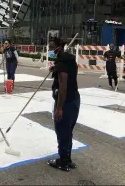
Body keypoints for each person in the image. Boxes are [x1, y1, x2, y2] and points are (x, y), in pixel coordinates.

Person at [47, 37, 80, 172]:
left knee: (62, 132)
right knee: (68, 132)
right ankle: (68, 159)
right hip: (75, 99)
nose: (50, 50)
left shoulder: (62, 64)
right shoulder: (70, 60)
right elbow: (67, 71)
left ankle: (63, 162)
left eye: (52, 48)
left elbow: (63, 87)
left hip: (65, 101)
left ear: (59, 47)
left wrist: (59, 108)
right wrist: (55, 68)